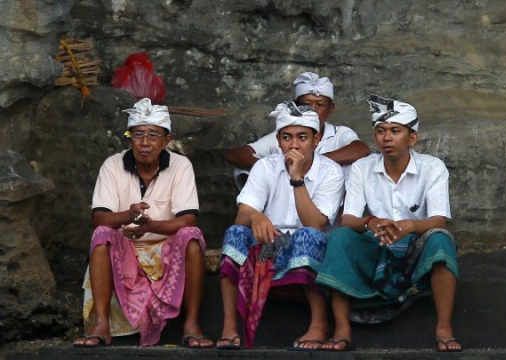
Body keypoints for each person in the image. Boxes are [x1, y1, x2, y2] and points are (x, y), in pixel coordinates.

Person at [316, 95, 462, 352]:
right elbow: (348, 218)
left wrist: (409, 226)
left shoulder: (433, 167)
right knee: (339, 237)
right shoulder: (362, 167)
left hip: (414, 244)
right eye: (381, 131)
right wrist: (370, 222)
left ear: (412, 138)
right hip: (375, 241)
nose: (387, 138)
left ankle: (444, 328)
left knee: (441, 239)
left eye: (395, 131)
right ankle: (341, 329)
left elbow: (439, 219)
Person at [73, 98, 213, 348]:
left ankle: (192, 325)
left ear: (167, 140)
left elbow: (187, 219)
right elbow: (99, 219)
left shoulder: (180, 166)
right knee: (102, 235)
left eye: (153, 135)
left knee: (192, 235)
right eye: (138, 135)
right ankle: (101, 325)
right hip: (124, 247)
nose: (145, 143)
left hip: (166, 248)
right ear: (130, 139)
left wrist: (151, 227)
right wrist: (129, 215)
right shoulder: (113, 165)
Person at [216, 101, 345, 350]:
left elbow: (316, 223)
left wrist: (297, 179)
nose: (294, 145)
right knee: (235, 233)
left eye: (302, 137)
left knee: (307, 235)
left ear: (316, 140)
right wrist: (255, 217)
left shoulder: (331, 172)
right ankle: (229, 325)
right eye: (287, 137)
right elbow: (242, 214)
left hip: (311, 248)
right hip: (268, 246)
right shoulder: (265, 166)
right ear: (278, 140)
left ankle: (318, 324)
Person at [225, 71, 369, 188]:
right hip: (287, 199)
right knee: (246, 169)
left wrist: (312, 163)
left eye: (320, 104)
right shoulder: (285, 136)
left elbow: (361, 149)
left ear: (330, 109)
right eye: (307, 104)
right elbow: (235, 155)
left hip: (327, 205)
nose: (313, 110)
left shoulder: (339, 133)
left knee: (352, 166)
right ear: (295, 106)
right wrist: (274, 168)